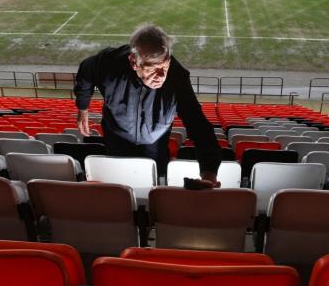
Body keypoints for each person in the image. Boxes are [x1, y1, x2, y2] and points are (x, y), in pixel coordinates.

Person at [74, 23, 221, 188]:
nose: (160, 76)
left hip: (155, 141)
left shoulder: (177, 76)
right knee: (120, 182)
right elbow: (86, 71)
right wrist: (83, 107)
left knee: (154, 181)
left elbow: (197, 123)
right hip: (117, 136)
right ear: (133, 62)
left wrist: (209, 172)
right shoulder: (109, 64)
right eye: (152, 68)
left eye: (164, 66)